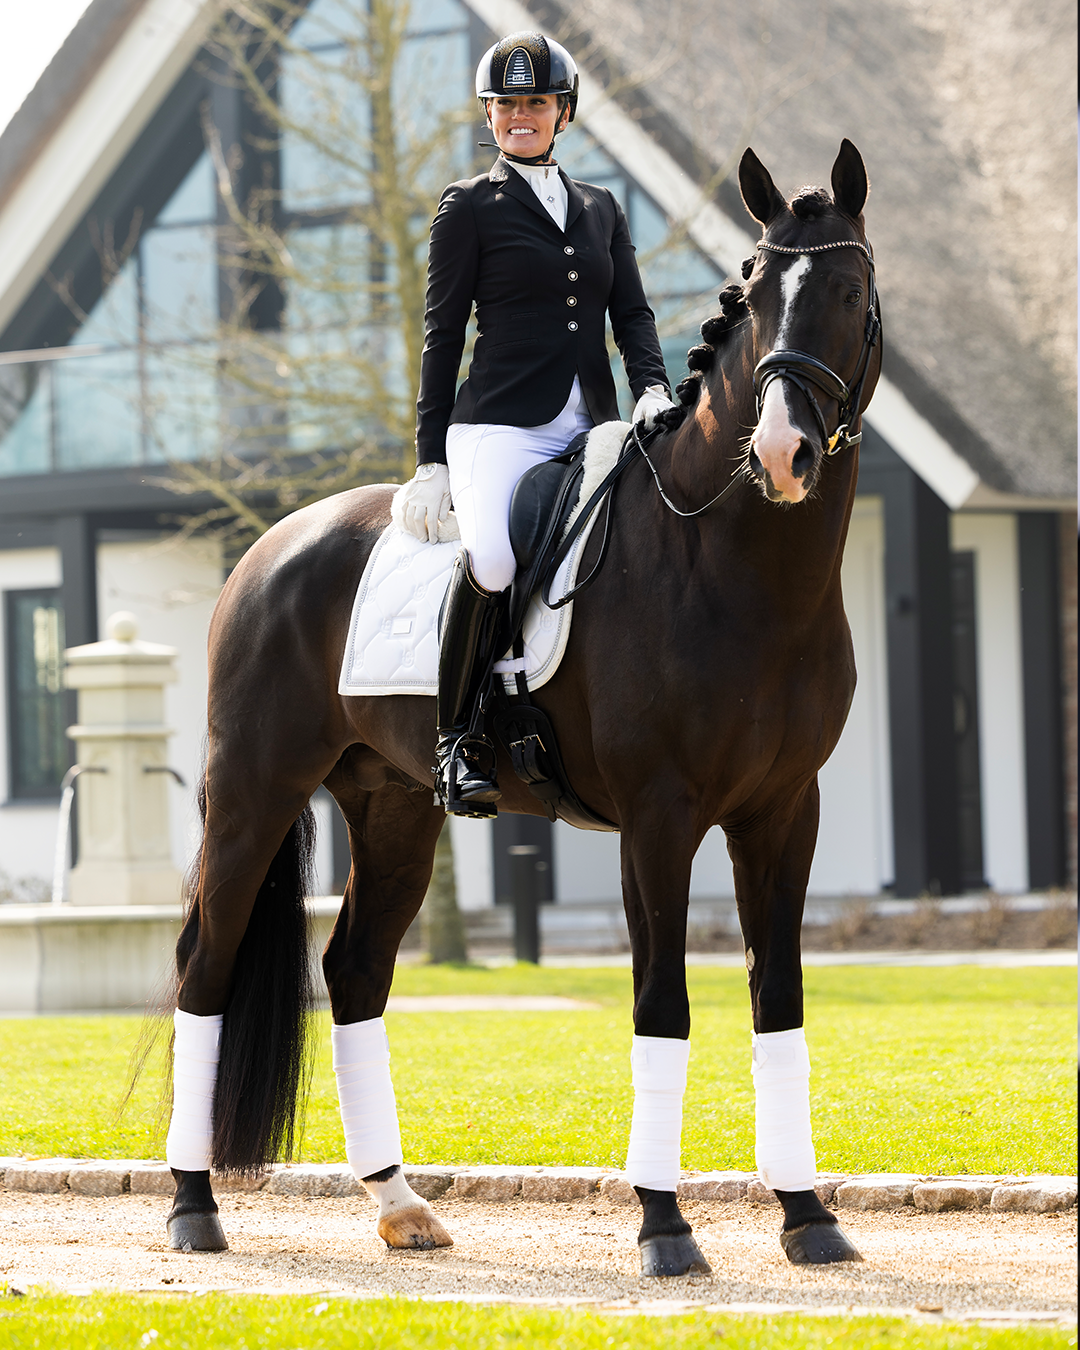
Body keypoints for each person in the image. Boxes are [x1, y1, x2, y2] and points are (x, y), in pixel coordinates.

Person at [394, 31, 674, 815]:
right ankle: (457, 739)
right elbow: (442, 337)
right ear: (491, 114)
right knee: (489, 560)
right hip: (501, 429)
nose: (522, 116)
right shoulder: (468, 207)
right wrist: (430, 459)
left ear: (563, 112)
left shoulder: (602, 207)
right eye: (508, 104)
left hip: (594, 425)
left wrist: (650, 386)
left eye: (536, 103)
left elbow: (634, 314)